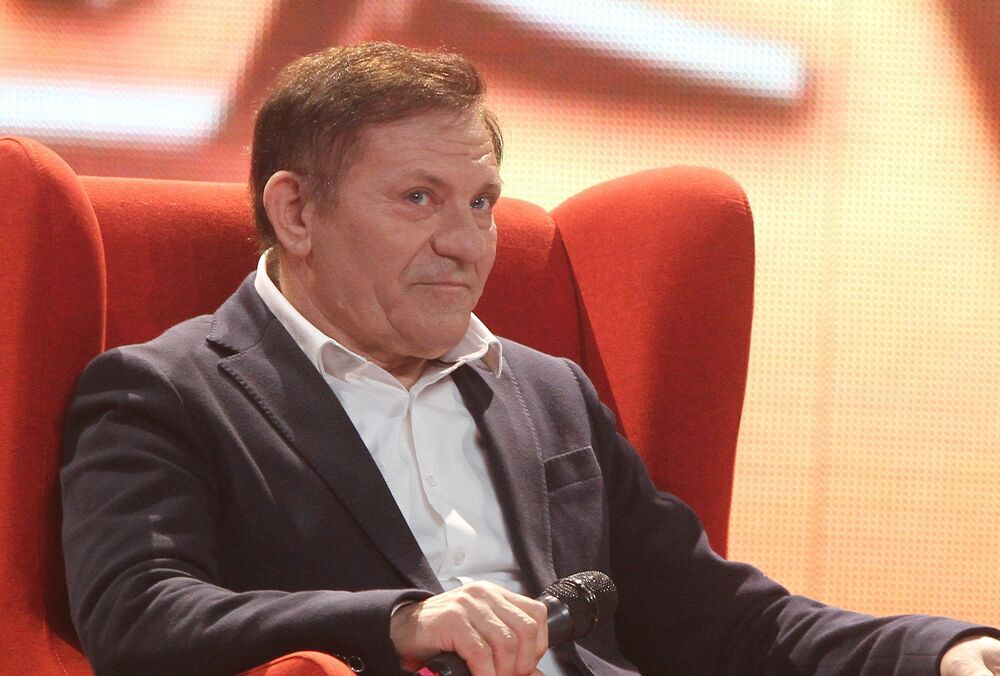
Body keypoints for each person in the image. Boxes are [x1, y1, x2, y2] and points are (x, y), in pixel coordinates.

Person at [60, 42, 999, 676]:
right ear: (297, 211)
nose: (467, 242)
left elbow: (720, 619)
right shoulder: (163, 392)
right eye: (420, 199)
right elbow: (139, 617)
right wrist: (402, 621)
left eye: (481, 202)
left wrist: (941, 653)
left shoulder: (548, 390)